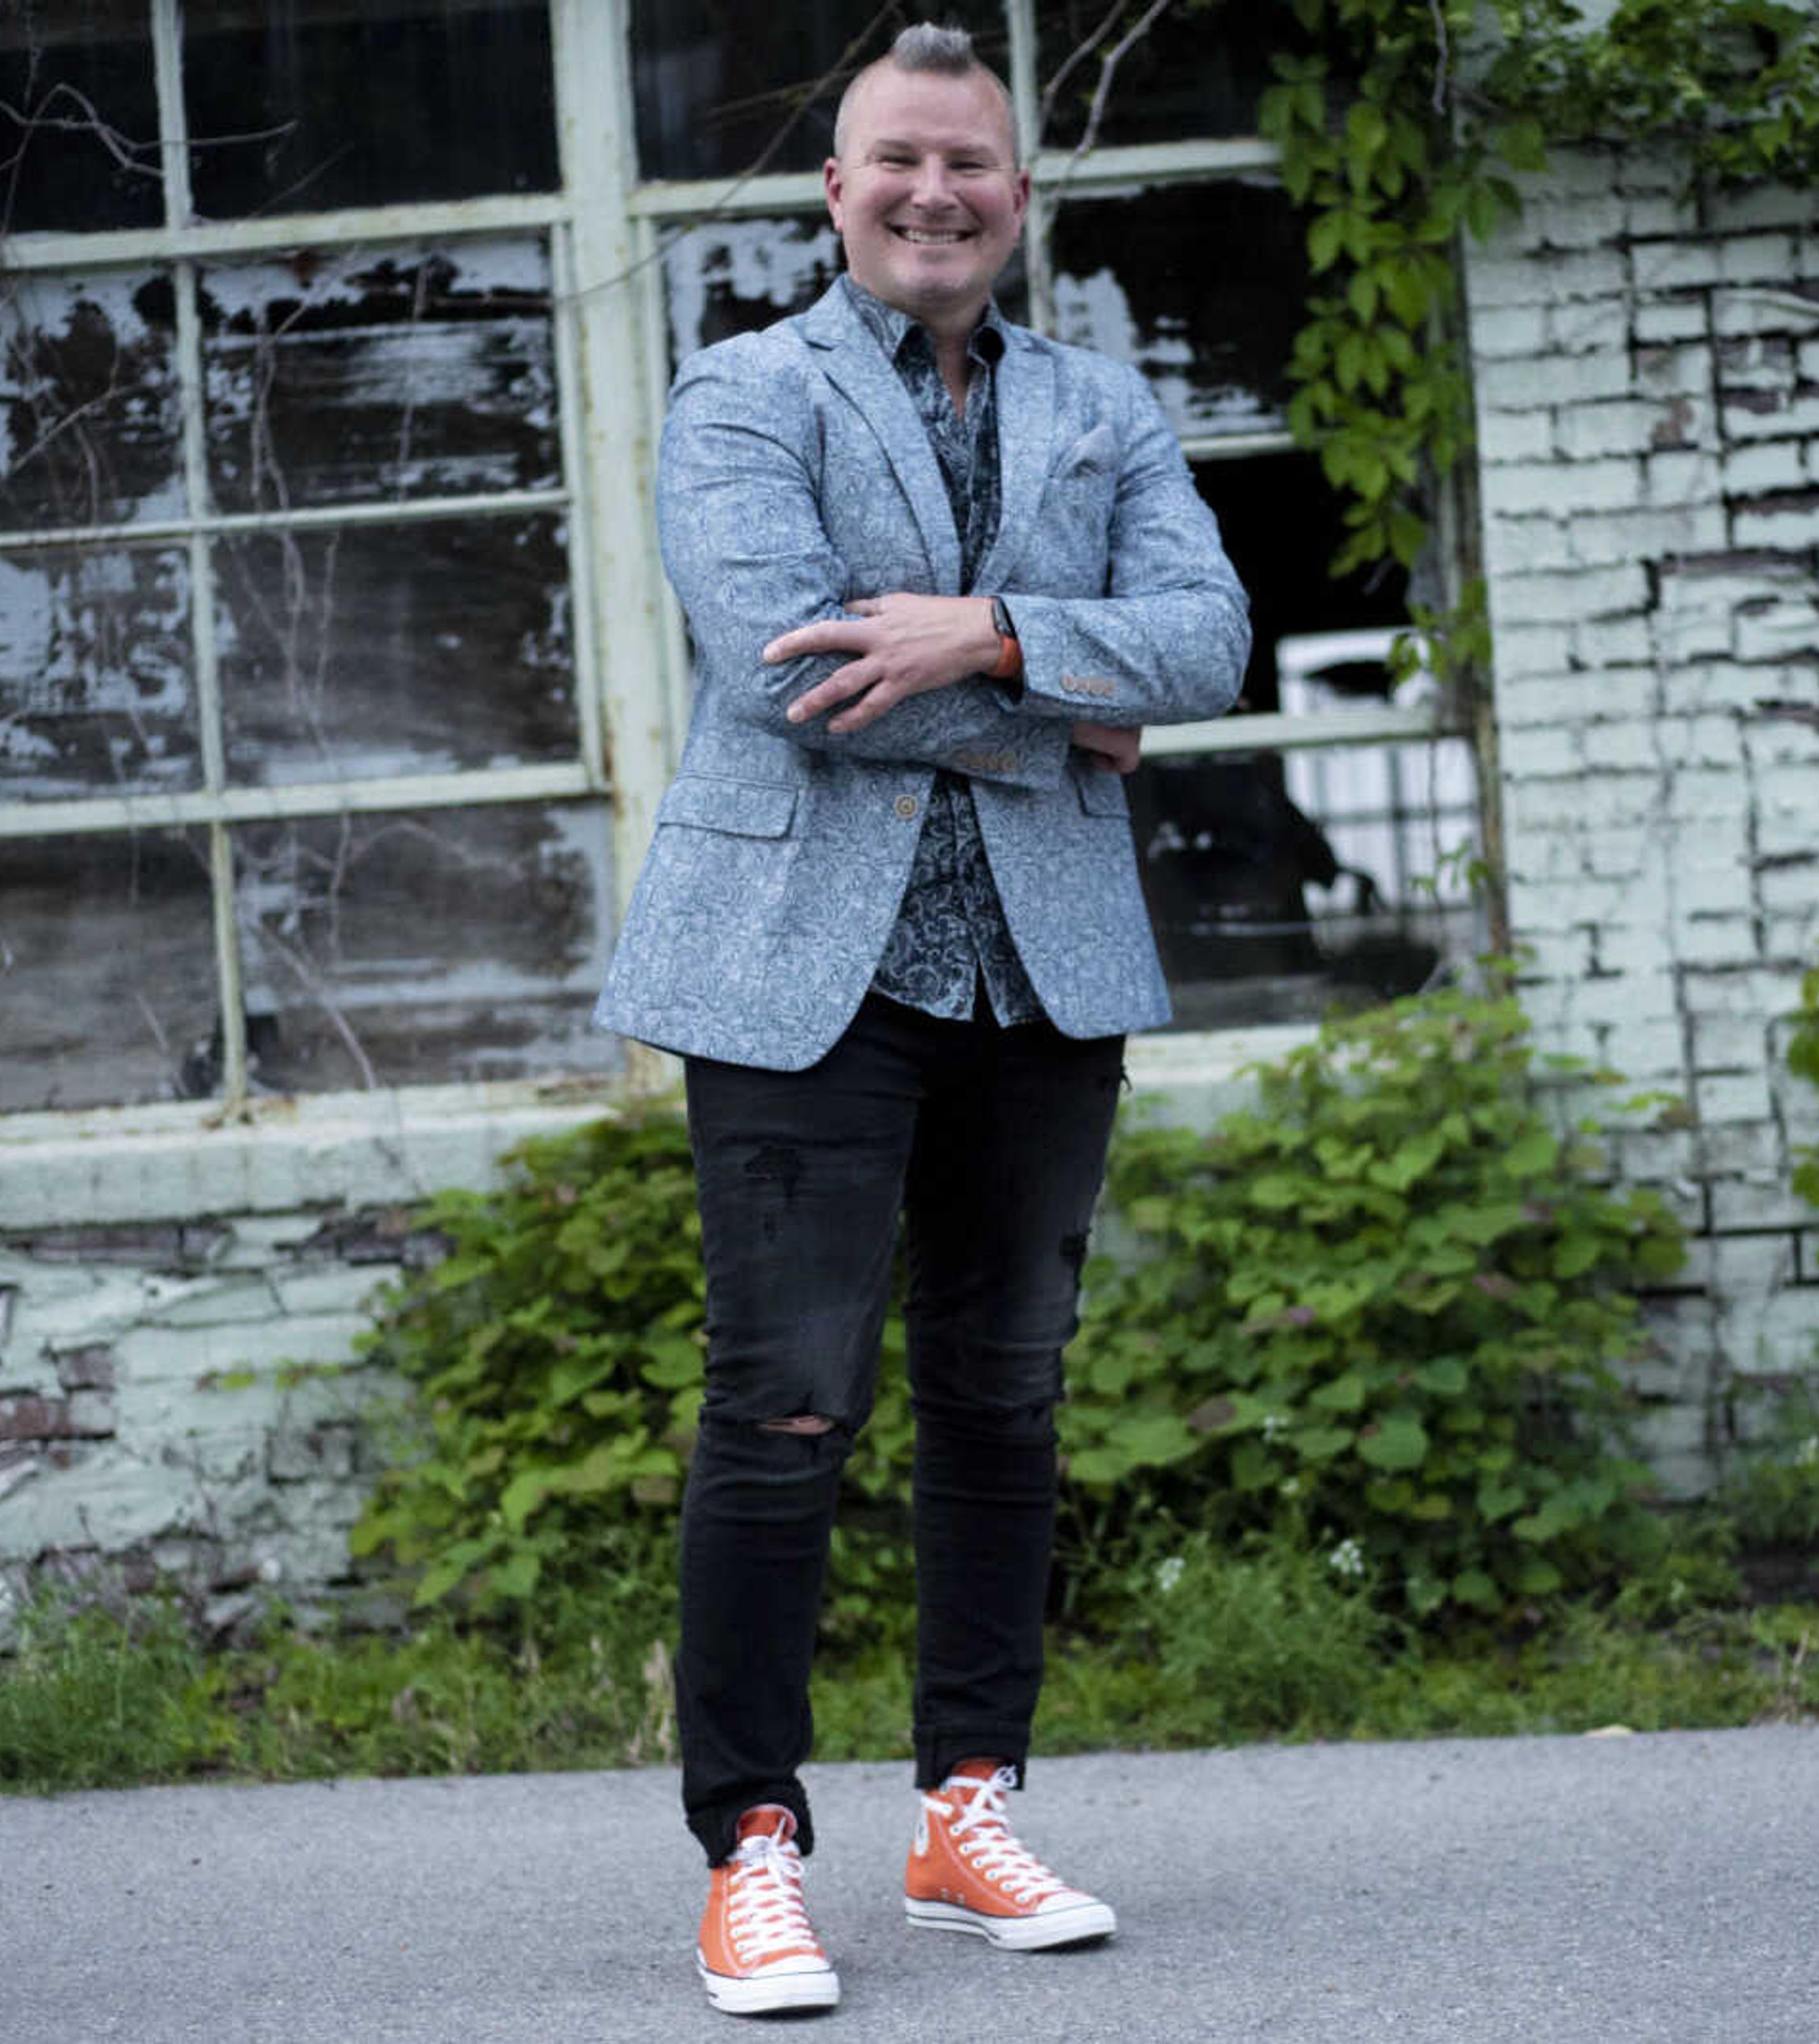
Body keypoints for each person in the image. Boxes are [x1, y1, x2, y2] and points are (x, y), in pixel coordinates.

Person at [593, 20, 1250, 2018]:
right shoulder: (740, 395)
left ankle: (968, 1808)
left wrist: (988, 631)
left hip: (1042, 979)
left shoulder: (1103, 407)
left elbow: (1211, 635)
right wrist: (1074, 714)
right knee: (782, 1411)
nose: (933, 192)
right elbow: (795, 671)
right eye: (897, 160)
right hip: (803, 970)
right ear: (839, 190)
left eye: (969, 163)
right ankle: (753, 1853)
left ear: (1017, 196)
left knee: (1004, 1403)